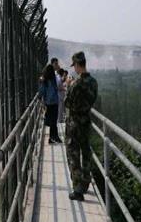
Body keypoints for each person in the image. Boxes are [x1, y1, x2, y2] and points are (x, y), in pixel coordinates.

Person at [64, 51, 98, 201]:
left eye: (75, 66)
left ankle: (77, 190)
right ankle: (85, 183)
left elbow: (67, 103)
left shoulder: (76, 84)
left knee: (74, 155)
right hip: (86, 122)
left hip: (74, 124)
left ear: (78, 64)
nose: (74, 69)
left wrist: (68, 85)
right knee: (86, 153)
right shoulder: (93, 82)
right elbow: (92, 100)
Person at [39, 63, 62, 144]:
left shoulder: (45, 81)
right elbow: (58, 87)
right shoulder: (53, 80)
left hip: (48, 103)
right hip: (55, 102)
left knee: (52, 120)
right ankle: (54, 137)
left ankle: (53, 138)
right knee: (54, 121)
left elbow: (41, 91)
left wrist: (40, 98)